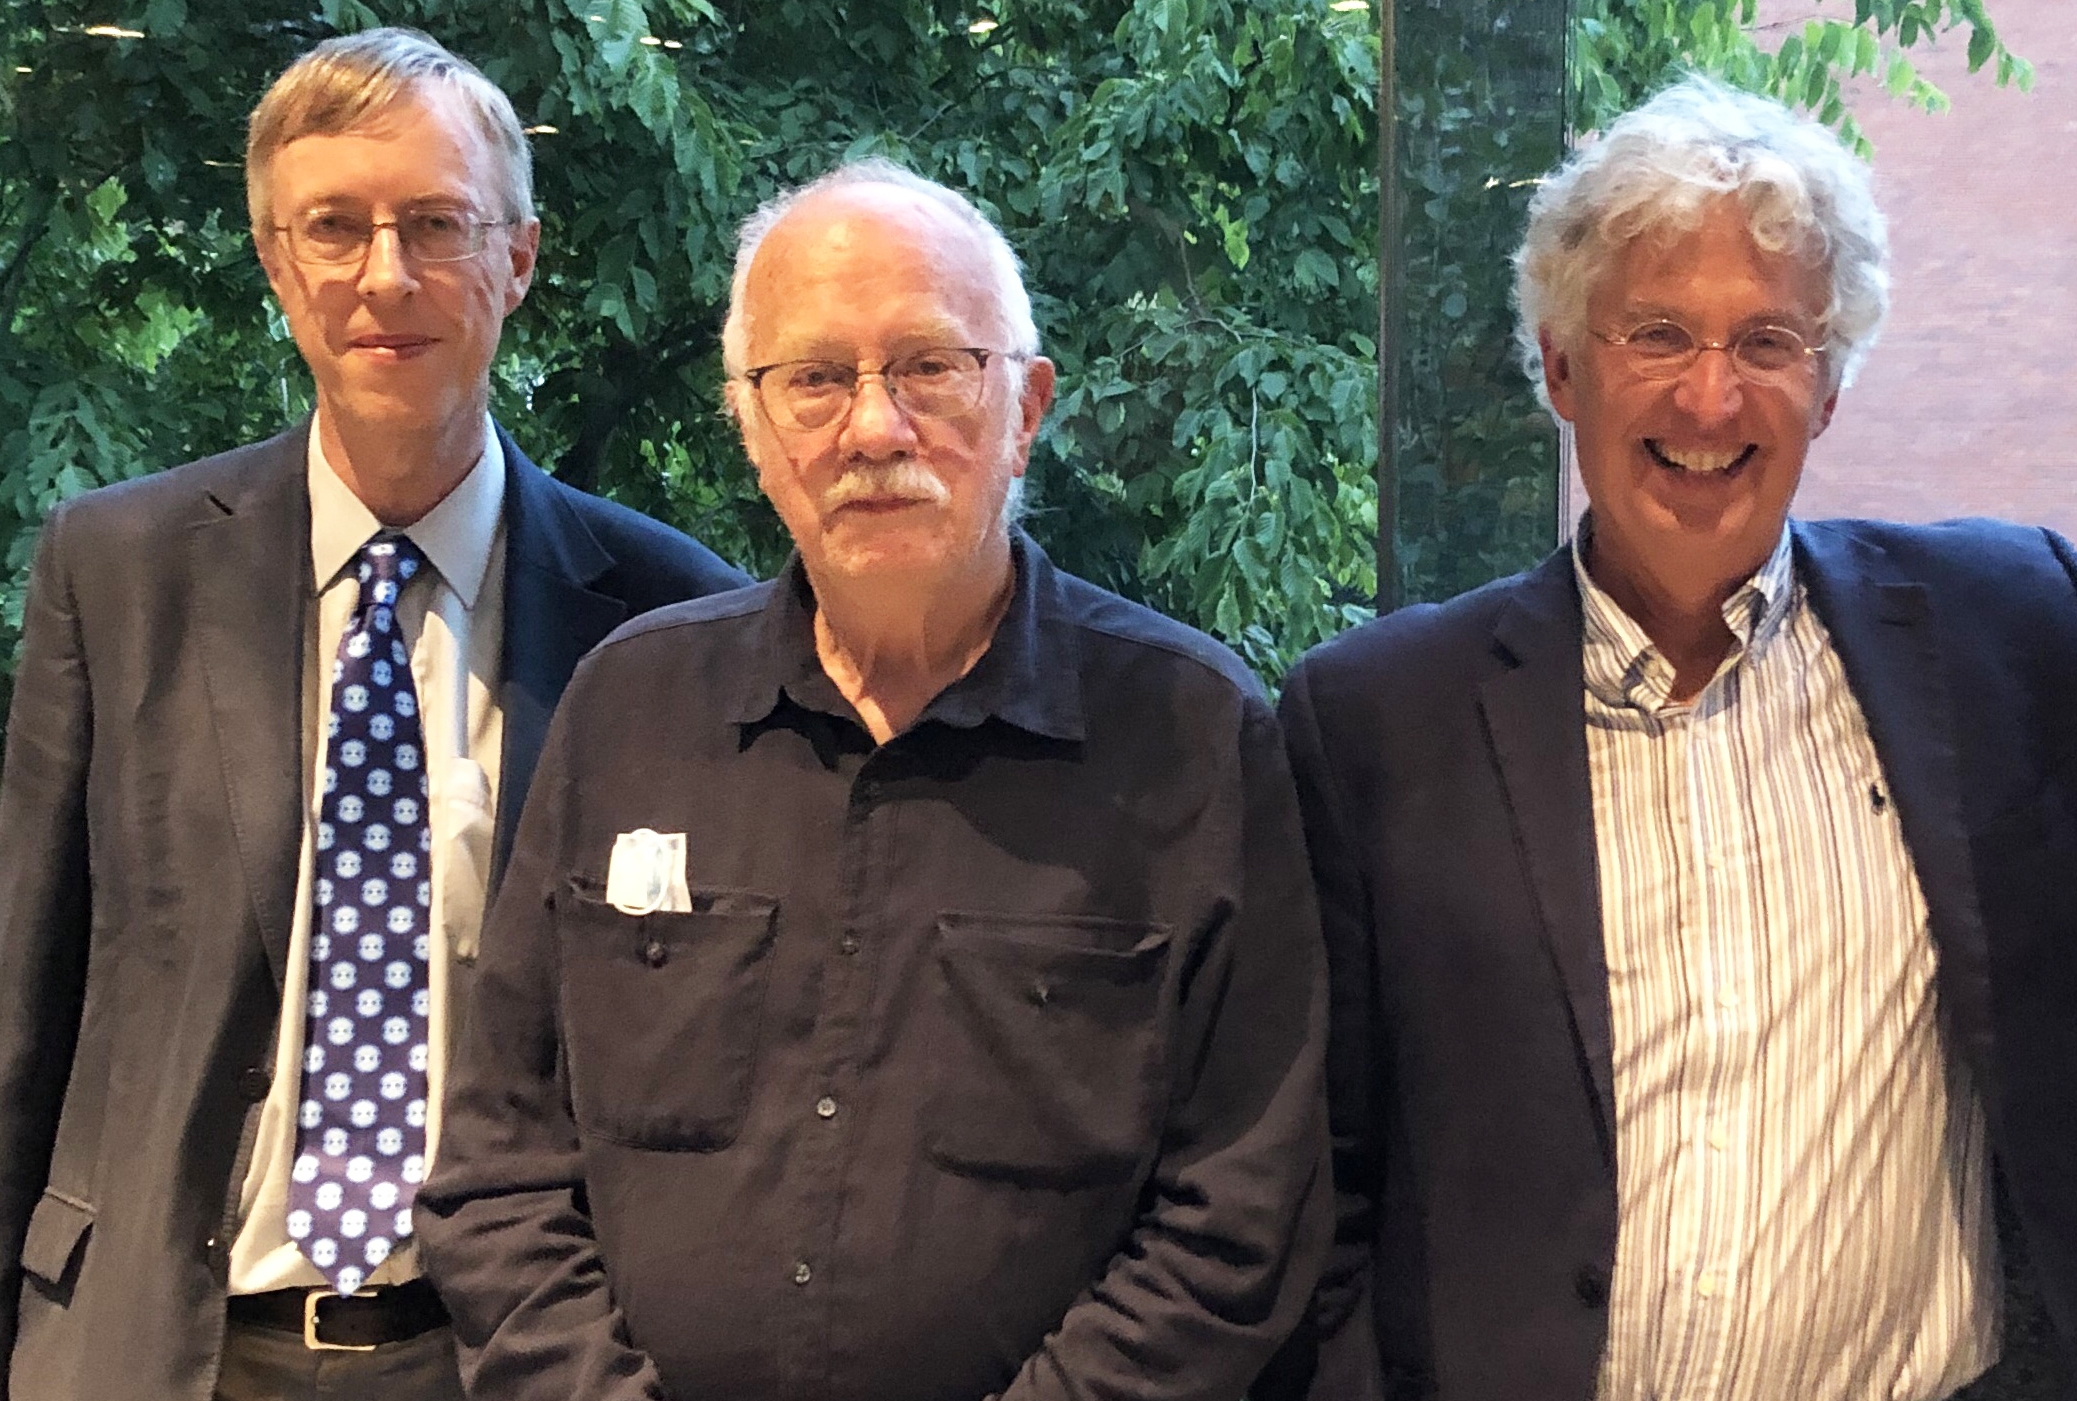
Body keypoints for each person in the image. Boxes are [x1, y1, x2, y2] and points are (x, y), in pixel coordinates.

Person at [414, 158, 1331, 1401]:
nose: (873, 428)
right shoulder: (628, 711)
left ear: (1028, 409)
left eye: (929, 368)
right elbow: (501, 1163)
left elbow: (1240, 1214)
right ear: (747, 422)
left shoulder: (1193, 733)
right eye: (813, 379)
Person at [1263, 78, 2077, 1400]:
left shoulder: (2013, 629)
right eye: (1657, 334)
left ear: (1826, 387)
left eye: (1766, 339)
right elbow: (1317, 1187)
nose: (1711, 399)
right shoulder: (1374, 720)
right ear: (1564, 369)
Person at [0, 27, 745, 1401]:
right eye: (332, 228)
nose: (382, 276)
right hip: (157, 1345)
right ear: (278, 264)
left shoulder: (662, 617)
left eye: (436, 225)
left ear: (518, 259)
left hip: (507, 1358)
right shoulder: (118, 569)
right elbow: (22, 994)